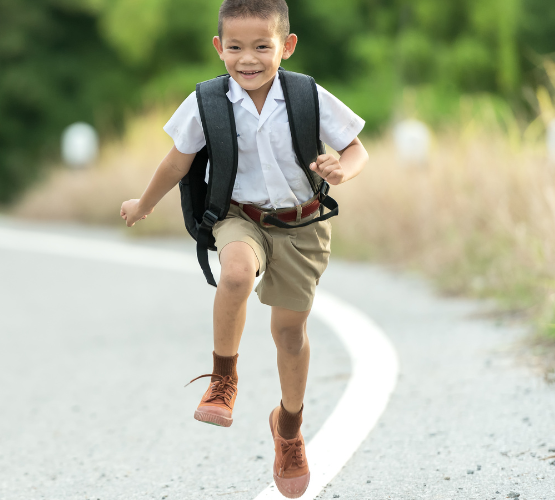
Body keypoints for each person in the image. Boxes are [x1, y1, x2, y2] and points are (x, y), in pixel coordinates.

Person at [119, 0, 369, 497]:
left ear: (286, 47)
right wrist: (144, 203)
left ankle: (289, 426)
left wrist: (344, 169)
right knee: (235, 275)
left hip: (302, 227)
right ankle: (223, 379)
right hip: (239, 217)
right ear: (219, 48)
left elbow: (356, 148)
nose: (247, 58)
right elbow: (175, 162)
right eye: (235, 47)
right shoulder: (208, 103)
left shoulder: (306, 95)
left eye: (261, 46)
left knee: (289, 335)